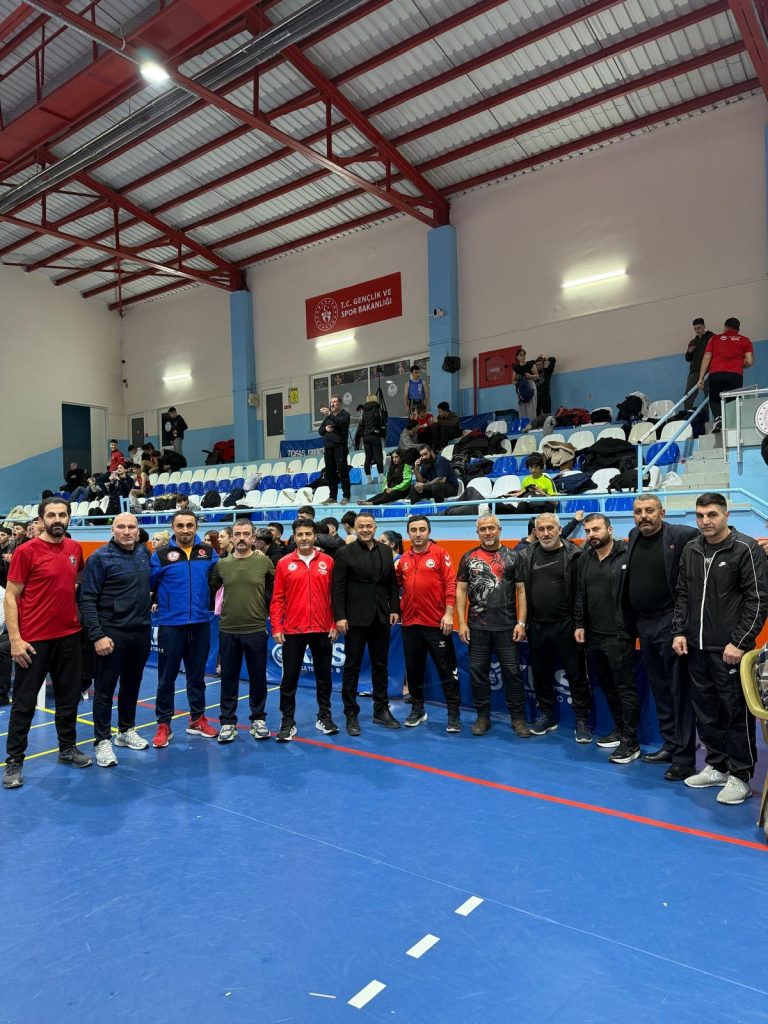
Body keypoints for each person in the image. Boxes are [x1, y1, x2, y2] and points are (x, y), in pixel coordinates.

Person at [672, 492, 768, 805]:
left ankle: (741, 775)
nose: (705, 521)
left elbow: (758, 599)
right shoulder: (691, 549)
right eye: (700, 515)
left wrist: (739, 642)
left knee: (734, 712)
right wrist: (679, 631)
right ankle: (717, 765)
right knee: (705, 711)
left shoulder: (745, 548)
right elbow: (682, 593)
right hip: (696, 647)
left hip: (730, 650)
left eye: (712, 514)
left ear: (726, 515)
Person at [3, 498, 92, 789]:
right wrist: (15, 639)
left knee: (68, 698)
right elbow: (11, 596)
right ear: (41, 520)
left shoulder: (74, 549)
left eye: (62, 514)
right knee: (24, 702)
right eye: (51, 515)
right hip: (34, 641)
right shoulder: (26, 551)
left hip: (69, 637)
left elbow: (74, 582)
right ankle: (14, 760)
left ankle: (67, 748)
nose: (57, 519)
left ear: (69, 518)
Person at [624, 496, 698, 781]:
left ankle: (685, 758)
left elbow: (713, 535)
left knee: (679, 691)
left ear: (662, 512)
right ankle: (670, 744)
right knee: (661, 690)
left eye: (649, 511)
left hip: (671, 622)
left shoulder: (681, 534)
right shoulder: (633, 535)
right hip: (644, 624)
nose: (644, 516)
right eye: (638, 511)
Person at [79, 513, 152, 768]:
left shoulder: (144, 553)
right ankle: (102, 740)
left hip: (140, 631)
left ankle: (125, 730)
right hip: (111, 633)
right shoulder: (99, 558)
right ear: (113, 530)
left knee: (132, 684)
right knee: (105, 690)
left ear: (138, 530)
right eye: (121, 526)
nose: (127, 531)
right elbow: (87, 599)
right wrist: (97, 635)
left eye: (131, 526)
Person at [518, 513, 592, 743]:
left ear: (560, 530)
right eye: (541, 529)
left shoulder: (574, 554)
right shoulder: (526, 555)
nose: (546, 533)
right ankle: (546, 715)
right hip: (537, 626)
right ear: (535, 532)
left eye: (550, 528)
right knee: (540, 674)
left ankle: (582, 720)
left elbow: (581, 593)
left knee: (576, 675)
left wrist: (579, 623)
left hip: (567, 626)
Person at [574, 513, 640, 764]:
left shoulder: (627, 554)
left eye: (596, 529)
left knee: (625, 688)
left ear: (609, 530)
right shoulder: (585, 558)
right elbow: (580, 594)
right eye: (588, 531)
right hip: (594, 636)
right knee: (608, 687)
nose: (592, 534)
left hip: (619, 634)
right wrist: (580, 624)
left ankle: (631, 742)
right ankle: (620, 729)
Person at [149, 511, 219, 747]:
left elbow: (221, 574)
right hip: (171, 625)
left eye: (190, 525)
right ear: (173, 527)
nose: (185, 529)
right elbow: (150, 583)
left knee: (197, 677)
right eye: (180, 525)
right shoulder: (160, 555)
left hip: (200, 623)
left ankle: (197, 719)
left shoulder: (207, 551)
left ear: (196, 526)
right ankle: (164, 723)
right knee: (166, 678)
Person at [456, 514, 528, 737]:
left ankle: (518, 718)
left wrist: (521, 622)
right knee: (478, 673)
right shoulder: (468, 557)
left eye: (491, 528)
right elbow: (460, 590)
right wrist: (461, 622)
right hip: (477, 627)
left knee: (512, 673)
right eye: (483, 529)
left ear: (499, 530)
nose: (487, 532)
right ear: (477, 532)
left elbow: (521, 591)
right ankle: (483, 717)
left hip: (507, 627)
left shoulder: (514, 556)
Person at [332, 511, 400, 735]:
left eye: (369, 526)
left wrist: (394, 608)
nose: (365, 530)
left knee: (381, 665)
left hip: (380, 617)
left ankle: (381, 709)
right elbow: (337, 587)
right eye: (361, 526)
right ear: (355, 528)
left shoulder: (385, 551)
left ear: (375, 527)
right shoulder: (344, 552)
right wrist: (340, 616)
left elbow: (391, 583)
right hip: (354, 619)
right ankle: (351, 713)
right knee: (352, 666)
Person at [271, 519, 339, 741]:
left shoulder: (328, 561)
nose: (304, 538)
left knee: (324, 677)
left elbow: (335, 596)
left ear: (315, 536)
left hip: (322, 628)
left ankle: (324, 716)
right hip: (293, 629)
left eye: (308, 534)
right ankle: (287, 721)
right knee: (289, 679)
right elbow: (278, 598)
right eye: (300, 534)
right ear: (294, 537)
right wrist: (277, 626)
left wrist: (333, 623)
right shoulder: (284, 563)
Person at [208, 519, 274, 744]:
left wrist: (264, 609)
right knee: (228, 678)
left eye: (246, 534)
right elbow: (213, 588)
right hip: (228, 630)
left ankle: (258, 719)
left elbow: (273, 587)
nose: (242, 538)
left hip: (256, 629)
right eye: (238, 534)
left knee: (258, 678)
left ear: (253, 538)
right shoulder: (222, 565)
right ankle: (228, 722)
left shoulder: (264, 562)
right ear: (232, 537)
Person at [396, 515, 461, 732]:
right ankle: (417, 709)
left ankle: (453, 713)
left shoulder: (440, 554)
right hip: (410, 624)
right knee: (414, 670)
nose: (418, 534)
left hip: (436, 623)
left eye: (422, 529)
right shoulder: (404, 559)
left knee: (446, 670)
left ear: (429, 531)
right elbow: (397, 584)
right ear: (408, 533)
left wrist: (449, 614)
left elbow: (451, 584)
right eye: (413, 530)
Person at [697, 317, 754, 431]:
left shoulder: (715, 339)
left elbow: (707, 357)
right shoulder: (745, 340)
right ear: (738, 329)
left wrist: (701, 378)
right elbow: (749, 361)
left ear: (725, 327)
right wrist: (739, 364)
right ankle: (731, 424)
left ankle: (718, 419)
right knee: (732, 400)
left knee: (714, 398)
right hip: (735, 374)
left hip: (716, 373)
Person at [318, 395, 351, 505]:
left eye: (335, 401)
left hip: (340, 447)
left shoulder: (345, 414)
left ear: (340, 403)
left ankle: (346, 496)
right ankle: (332, 497)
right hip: (328, 447)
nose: (332, 404)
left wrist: (329, 414)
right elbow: (320, 431)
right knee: (330, 473)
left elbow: (340, 423)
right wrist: (325, 428)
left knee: (342, 472)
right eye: (331, 402)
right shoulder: (328, 418)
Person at [684, 318, 712, 409]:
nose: (697, 330)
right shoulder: (693, 342)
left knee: (709, 394)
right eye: (695, 329)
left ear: (704, 326)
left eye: (699, 328)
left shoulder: (711, 338)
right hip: (695, 371)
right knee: (689, 394)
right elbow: (688, 359)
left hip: (708, 370)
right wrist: (689, 352)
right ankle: (687, 414)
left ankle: (708, 415)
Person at [360, 393, 385, 481]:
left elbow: (362, 424)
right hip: (374, 435)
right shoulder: (376, 408)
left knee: (367, 458)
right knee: (378, 457)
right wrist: (377, 429)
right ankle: (381, 478)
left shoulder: (364, 411)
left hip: (366, 436)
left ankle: (369, 479)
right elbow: (378, 418)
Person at [513, 348, 539, 421]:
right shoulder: (516, 367)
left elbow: (537, 376)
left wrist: (530, 376)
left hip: (530, 385)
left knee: (532, 406)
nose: (523, 357)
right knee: (522, 407)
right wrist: (517, 382)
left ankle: (532, 423)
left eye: (524, 355)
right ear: (517, 357)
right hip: (521, 387)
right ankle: (523, 423)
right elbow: (513, 381)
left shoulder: (530, 364)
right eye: (521, 355)